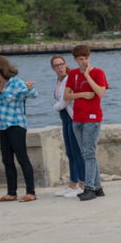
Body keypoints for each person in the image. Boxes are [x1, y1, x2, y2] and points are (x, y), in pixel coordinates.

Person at [0, 55, 39, 202]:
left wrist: (30, 87)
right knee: (7, 160)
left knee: (22, 158)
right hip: (3, 126)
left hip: (16, 125)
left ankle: (31, 192)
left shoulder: (15, 82)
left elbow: (32, 95)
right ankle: (11, 193)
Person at [65, 44, 109, 201]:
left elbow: (101, 93)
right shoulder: (73, 74)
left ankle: (89, 187)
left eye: (86, 58)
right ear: (75, 60)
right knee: (86, 153)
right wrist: (82, 94)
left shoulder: (98, 72)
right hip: (77, 118)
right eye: (80, 59)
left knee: (89, 153)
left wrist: (88, 76)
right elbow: (66, 96)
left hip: (92, 118)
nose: (84, 62)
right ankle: (98, 188)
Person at [49, 55, 86, 197]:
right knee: (70, 152)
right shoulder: (58, 80)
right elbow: (57, 98)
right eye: (56, 65)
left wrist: (54, 107)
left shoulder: (69, 78)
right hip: (64, 118)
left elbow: (63, 101)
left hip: (72, 117)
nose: (59, 67)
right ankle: (72, 183)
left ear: (65, 65)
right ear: (53, 68)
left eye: (61, 64)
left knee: (77, 152)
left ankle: (83, 184)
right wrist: (57, 106)